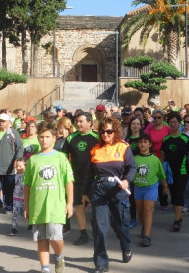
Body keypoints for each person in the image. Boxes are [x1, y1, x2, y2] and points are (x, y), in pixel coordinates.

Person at [82, 117, 136, 273]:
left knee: (121, 226)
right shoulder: (95, 149)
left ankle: (126, 246)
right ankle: (101, 263)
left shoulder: (124, 147)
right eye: (103, 131)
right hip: (100, 192)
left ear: (115, 132)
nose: (106, 134)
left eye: (109, 131)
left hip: (118, 191)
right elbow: (89, 174)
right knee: (100, 228)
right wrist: (85, 193)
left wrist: (127, 180)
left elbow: (132, 167)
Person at [24, 122, 74, 273]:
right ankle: (45, 269)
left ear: (54, 138)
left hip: (56, 205)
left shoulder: (61, 158)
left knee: (55, 238)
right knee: (42, 239)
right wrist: (26, 206)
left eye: (47, 137)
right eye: (41, 137)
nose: (44, 140)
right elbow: (27, 185)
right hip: (38, 205)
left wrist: (70, 202)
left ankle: (59, 256)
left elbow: (68, 181)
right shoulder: (33, 160)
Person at [63, 112, 99, 246]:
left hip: (94, 178)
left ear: (90, 122)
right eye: (76, 121)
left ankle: (98, 230)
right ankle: (83, 233)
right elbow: (64, 158)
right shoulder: (71, 138)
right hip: (76, 179)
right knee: (79, 206)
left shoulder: (97, 137)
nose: (78, 124)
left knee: (96, 206)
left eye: (81, 121)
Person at [161, 112, 189, 231]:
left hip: (183, 171)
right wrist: (160, 172)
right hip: (170, 172)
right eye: (171, 122)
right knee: (173, 196)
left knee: (179, 193)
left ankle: (177, 220)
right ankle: (178, 216)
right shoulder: (166, 140)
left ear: (179, 123)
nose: (173, 124)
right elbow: (162, 158)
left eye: (175, 122)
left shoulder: (185, 139)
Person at [133, 133, 168, 247]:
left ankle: (147, 236)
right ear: (138, 144)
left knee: (148, 210)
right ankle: (145, 226)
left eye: (145, 142)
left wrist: (165, 186)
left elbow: (161, 175)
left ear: (150, 144)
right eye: (140, 142)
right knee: (140, 212)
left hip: (151, 188)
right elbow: (129, 174)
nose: (143, 144)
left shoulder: (155, 159)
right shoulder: (134, 159)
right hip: (138, 188)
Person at [144, 109, 172, 209]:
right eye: (154, 117)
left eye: (159, 117)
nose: (156, 119)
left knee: (163, 179)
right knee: (153, 180)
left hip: (165, 158)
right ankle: (152, 199)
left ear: (162, 118)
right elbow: (145, 141)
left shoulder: (167, 129)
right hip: (153, 158)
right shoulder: (149, 130)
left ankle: (164, 201)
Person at [126, 116, 144, 227]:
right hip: (130, 170)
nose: (135, 126)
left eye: (138, 124)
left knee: (140, 197)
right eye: (133, 124)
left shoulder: (143, 139)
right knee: (131, 197)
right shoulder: (127, 139)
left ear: (141, 126)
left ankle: (143, 219)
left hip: (141, 170)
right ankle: (133, 218)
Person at [10, 157, 26, 236]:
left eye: (20, 166)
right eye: (17, 166)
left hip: (27, 197)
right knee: (15, 212)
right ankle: (14, 227)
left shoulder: (28, 175)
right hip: (16, 197)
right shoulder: (15, 175)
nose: (18, 168)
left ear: (25, 166)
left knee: (28, 212)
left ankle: (32, 224)